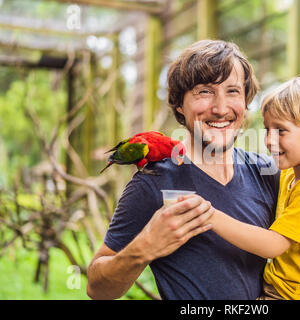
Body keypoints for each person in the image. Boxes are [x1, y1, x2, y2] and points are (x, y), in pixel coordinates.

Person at [86, 40, 280, 300]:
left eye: (232, 91)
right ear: (179, 104)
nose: (221, 109)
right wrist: (144, 247)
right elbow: (97, 290)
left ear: (245, 102)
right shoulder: (152, 183)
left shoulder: (268, 174)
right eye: (204, 92)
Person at [205, 76, 300, 300]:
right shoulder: (291, 174)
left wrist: (210, 216)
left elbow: (273, 245)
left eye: (281, 131)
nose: (269, 140)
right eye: (267, 129)